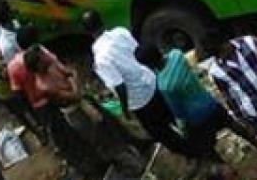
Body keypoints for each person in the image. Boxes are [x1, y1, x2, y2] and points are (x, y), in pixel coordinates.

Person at [82, 10, 194, 155]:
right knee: (174, 116)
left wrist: (125, 109)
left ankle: (190, 153)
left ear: (87, 32)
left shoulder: (101, 59)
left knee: (162, 133)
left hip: (139, 101)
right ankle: (195, 142)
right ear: (102, 21)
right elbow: (139, 53)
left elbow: (120, 86)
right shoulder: (120, 32)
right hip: (152, 82)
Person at [136, 43, 257, 166]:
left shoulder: (164, 84)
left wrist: (183, 130)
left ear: (149, 65)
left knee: (206, 149)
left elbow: (178, 112)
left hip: (197, 119)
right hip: (209, 102)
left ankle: (227, 170)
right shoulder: (177, 55)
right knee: (232, 124)